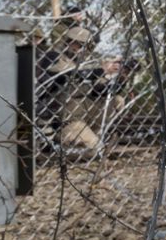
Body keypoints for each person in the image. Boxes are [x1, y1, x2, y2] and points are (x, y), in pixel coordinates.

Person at [35, 24, 128, 155]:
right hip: (62, 119)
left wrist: (122, 78)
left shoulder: (88, 64)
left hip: (83, 114)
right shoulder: (54, 57)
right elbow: (70, 74)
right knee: (95, 149)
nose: (78, 48)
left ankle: (94, 134)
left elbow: (101, 91)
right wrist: (101, 69)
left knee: (117, 100)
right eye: (75, 44)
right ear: (67, 42)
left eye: (82, 45)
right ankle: (61, 141)